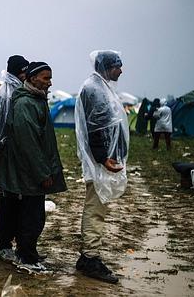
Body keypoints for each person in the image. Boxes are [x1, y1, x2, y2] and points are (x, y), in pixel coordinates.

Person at [0, 61, 68, 272]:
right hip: (27, 174)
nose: (49, 82)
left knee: (31, 215)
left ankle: (28, 252)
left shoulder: (36, 100)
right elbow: (29, 144)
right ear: (32, 78)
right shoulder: (26, 104)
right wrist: (43, 173)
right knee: (32, 217)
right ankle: (26, 257)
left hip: (29, 173)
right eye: (45, 78)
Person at [74, 50, 129, 284]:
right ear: (107, 66)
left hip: (103, 158)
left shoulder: (100, 86)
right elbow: (96, 126)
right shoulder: (95, 89)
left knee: (98, 207)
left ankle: (88, 255)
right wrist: (103, 157)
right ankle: (90, 258)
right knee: (95, 208)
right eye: (118, 65)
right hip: (100, 160)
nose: (121, 70)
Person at [0, 55, 28, 264]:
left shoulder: (18, 91)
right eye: (23, 71)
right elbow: (0, 131)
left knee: (17, 204)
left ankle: (16, 243)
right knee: (7, 203)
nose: (26, 74)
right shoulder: (6, 95)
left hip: (16, 160)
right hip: (6, 160)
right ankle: (3, 245)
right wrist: (0, 159)